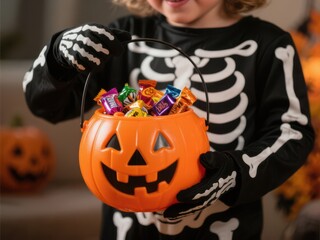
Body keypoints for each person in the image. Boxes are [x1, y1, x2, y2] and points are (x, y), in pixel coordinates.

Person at [23, 0, 315, 239]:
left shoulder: (270, 45)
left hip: (227, 229)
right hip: (129, 230)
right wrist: (56, 59)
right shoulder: (121, 37)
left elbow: (293, 134)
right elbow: (46, 106)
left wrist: (237, 172)